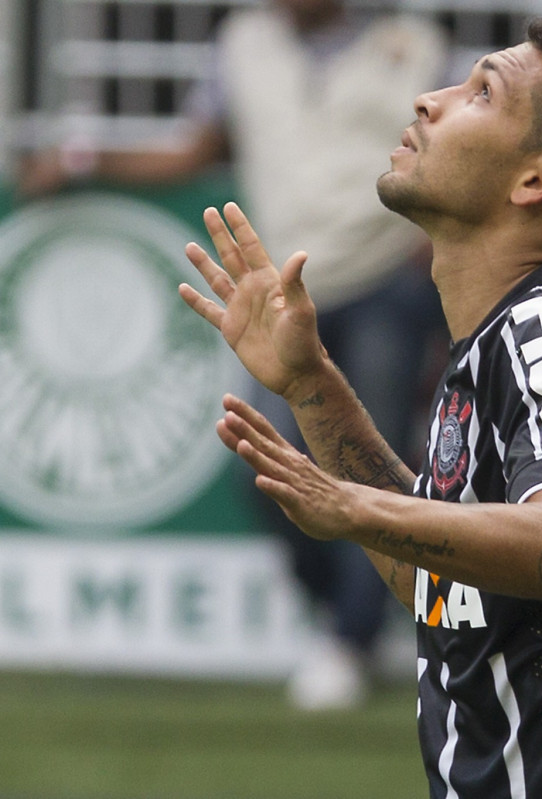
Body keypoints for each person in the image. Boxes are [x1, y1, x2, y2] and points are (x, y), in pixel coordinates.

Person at [178, 16, 542, 798]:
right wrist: (312, 383)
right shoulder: (512, 330)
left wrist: (354, 506)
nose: (431, 100)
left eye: (481, 92)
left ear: (537, 179)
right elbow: (446, 589)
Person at [21, 0, 450, 709]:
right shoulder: (242, 42)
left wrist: (434, 248)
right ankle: (348, 619)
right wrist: (83, 161)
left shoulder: (417, 43)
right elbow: (191, 147)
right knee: (264, 458)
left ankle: (350, 636)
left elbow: (457, 159)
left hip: (383, 281)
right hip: (281, 288)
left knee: (370, 468)